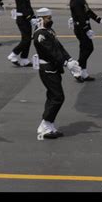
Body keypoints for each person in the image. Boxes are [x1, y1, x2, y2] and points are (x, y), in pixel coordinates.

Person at [33, 8, 81, 138]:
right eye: (47, 18)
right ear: (40, 20)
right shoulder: (40, 35)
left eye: (50, 17)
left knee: (53, 96)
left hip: (53, 68)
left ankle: (49, 125)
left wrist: (69, 59)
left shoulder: (49, 31)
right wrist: (65, 63)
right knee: (58, 97)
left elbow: (59, 48)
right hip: (47, 68)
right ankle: (45, 124)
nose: (50, 20)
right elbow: (51, 52)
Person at [69, 0, 102, 82]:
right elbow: (80, 16)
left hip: (84, 27)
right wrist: (86, 29)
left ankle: (83, 72)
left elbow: (88, 11)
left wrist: (99, 19)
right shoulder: (75, 0)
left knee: (84, 49)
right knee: (88, 48)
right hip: (81, 28)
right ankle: (77, 68)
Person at [8, 0, 34, 67]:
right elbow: (22, 7)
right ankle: (13, 54)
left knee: (27, 39)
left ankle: (24, 59)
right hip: (22, 19)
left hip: (25, 18)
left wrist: (34, 17)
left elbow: (28, 7)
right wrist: (29, 17)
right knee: (26, 39)